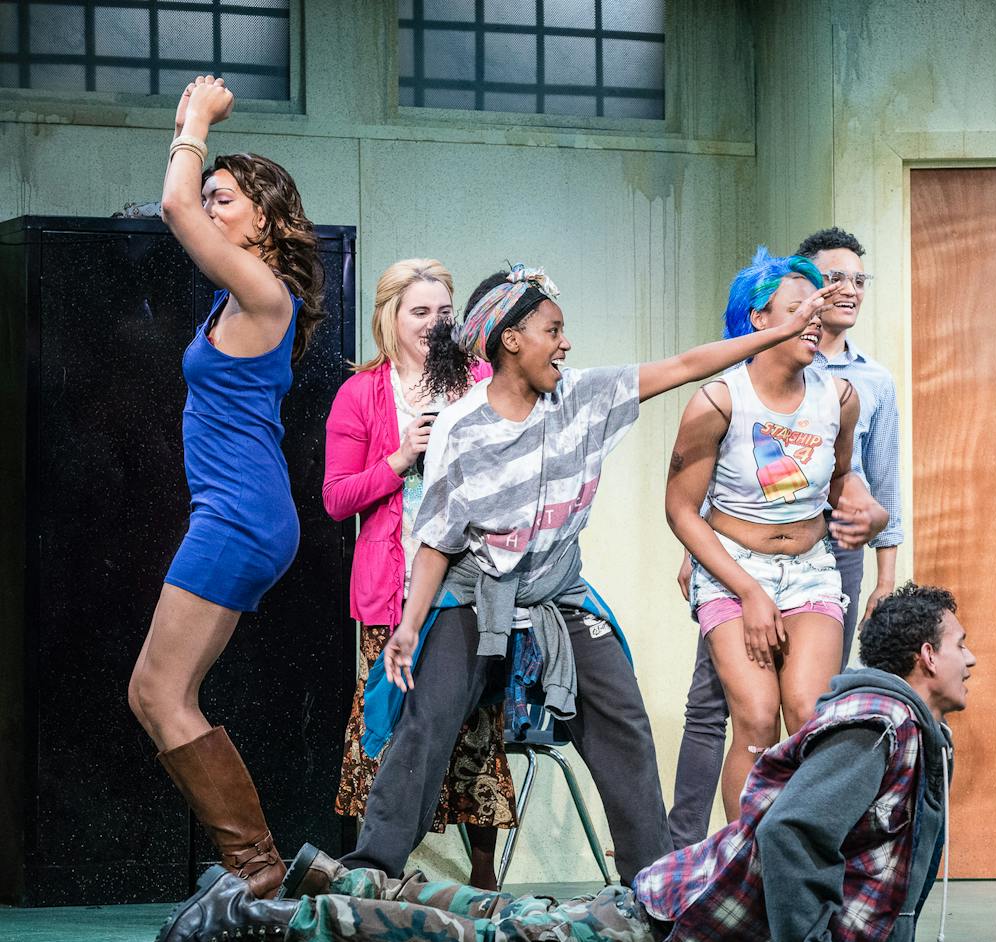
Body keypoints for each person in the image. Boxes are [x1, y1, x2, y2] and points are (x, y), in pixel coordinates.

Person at [142, 584, 972, 942]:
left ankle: (324, 877)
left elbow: (853, 854)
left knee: (515, 917)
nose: (972, 659)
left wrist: (876, 935)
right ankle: (256, 917)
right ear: (926, 657)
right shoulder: (880, 725)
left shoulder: (885, 721)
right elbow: (794, 833)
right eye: (962, 644)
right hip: (674, 920)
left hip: (673, 901)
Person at [336, 263, 839, 889]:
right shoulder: (462, 428)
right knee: (427, 717)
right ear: (512, 340)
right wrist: (411, 626)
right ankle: (370, 870)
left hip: (555, 593)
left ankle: (652, 882)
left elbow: (686, 365)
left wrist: (776, 332)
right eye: (554, 330)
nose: (566, 343)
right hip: (474, 594)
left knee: (622, 717)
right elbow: (438, 538)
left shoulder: (584, 395)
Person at [126, 75, 325, 898]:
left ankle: (257, 875)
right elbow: (182, 208)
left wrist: (197, 123)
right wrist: (187, 124)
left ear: (269, 220)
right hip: (239, 511)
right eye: (211, 198)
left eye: (227, 200)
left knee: (158, 691)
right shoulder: (232, 297)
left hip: (240, 513)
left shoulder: (263, 290)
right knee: (160, 694)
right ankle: (258, 872)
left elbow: (172, 207)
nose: (209, 209)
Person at [669, 226, 904, 847]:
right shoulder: (718, 401)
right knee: (752, 719)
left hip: (811, 568)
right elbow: (681, 509)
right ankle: (741, 873)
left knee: (808, 716)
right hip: (734, 568)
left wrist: (872, 519)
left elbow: (846, 487)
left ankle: (801, 860)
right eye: (798, 307)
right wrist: (746, 590)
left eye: (816, 306)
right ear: (759, 318)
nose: (814, 317)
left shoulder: (841, 397)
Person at [321, 258, 514, 890]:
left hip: (470, 584)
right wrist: (401, 457)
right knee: (388, 722)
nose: (433, 324)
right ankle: (374, 871)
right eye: (419, 311)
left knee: (474, 730)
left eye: (442, 312)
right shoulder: (361, 393)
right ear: (389, 318)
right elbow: (337, 497)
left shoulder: (481, 379)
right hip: (392, 588)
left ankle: (484, 878)